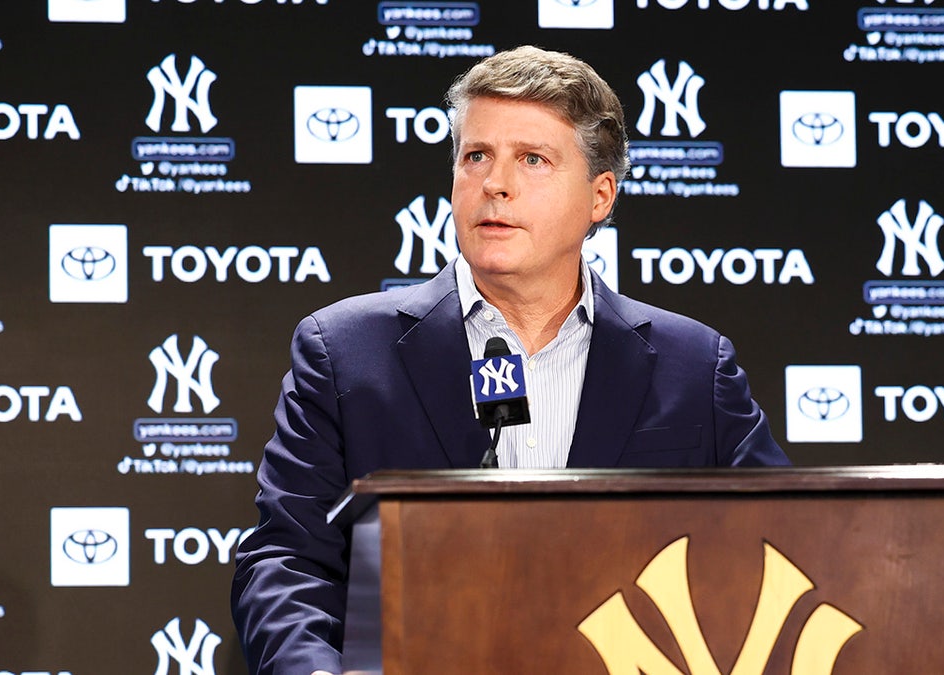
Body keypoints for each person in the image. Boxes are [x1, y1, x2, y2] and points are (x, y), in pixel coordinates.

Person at [231, 45, 790, 675]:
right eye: (476, 157)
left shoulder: (693, 368)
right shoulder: (344, 352)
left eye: (532, 159)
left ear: (600, 196)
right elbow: (287, 561)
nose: (495, 183)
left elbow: (780, 558)